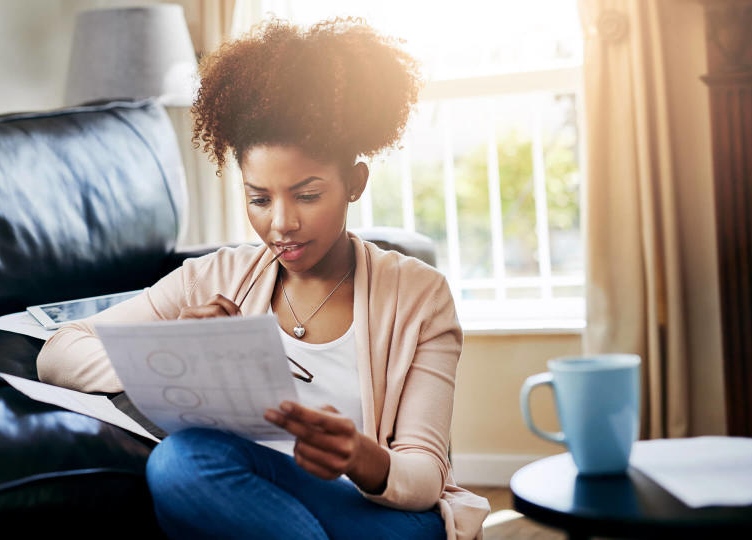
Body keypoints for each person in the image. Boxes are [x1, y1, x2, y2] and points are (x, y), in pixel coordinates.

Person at [36, 17, 490, 540]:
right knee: (181, 463)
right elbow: (59, 350)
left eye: (307, 195)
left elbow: (425, 477)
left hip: (379, 516)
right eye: (259, 198)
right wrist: (170, 350)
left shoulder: (419, 296)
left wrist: (362, 457)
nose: (281, 224)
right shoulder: (211, 279)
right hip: (260, 499)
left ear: (355, 183)